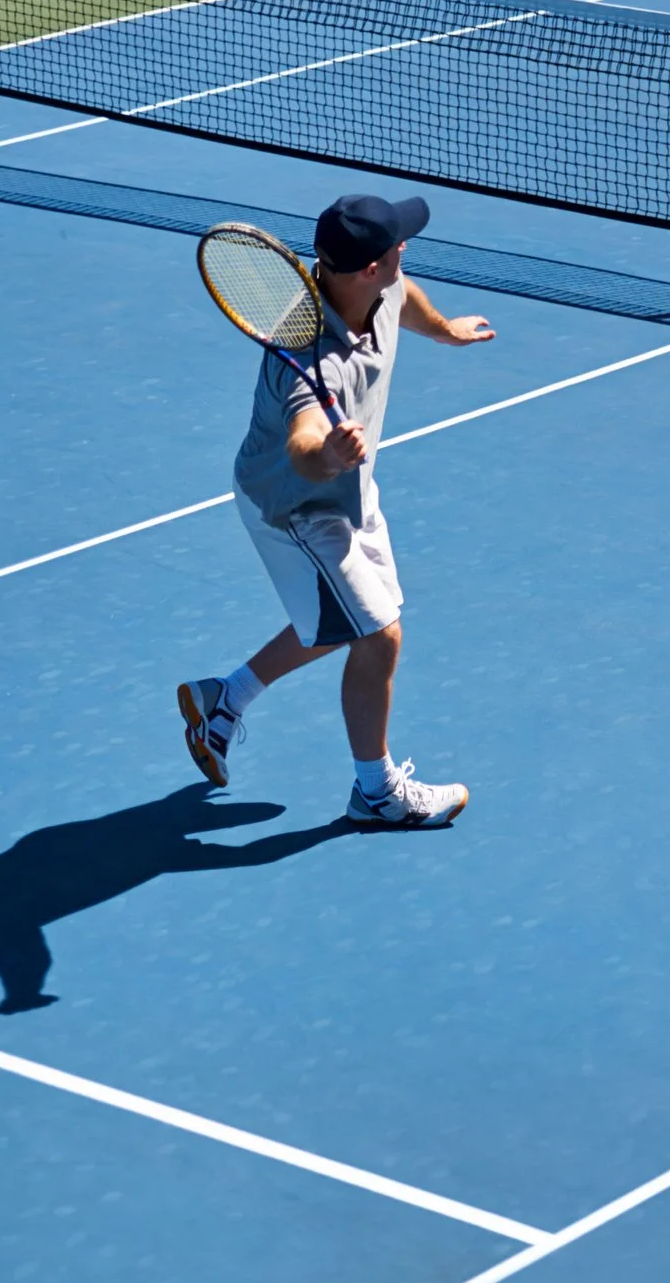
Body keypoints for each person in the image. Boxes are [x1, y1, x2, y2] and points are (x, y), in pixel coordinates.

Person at [178, 193, 495, 826]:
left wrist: (446, 329)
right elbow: (301, 446)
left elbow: (407, 296)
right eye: (395, 246)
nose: (405, 247)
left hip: (349, 493)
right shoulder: (307, 357)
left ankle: (225, 699)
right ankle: (376, 794)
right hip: (295, 508)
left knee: (348, 618)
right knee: (378, 635)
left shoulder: (380, 284)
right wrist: (327, 453)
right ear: (367, 268)